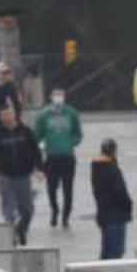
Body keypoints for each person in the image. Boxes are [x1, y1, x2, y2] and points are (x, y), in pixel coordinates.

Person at [0, 102, 43, 245]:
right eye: (4, 114)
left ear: (15, 114)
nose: (8, 116)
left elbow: (35, 151)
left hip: (23, 175)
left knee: (28, 210)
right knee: (9, 212)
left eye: (10, 113)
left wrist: (39, 168)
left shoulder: (25, 131)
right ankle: (11, 238)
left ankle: (21, 229)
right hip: (6, 177)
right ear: (0, 117)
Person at [34, 87, 82, 229]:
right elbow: (37, 135)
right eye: (56, 95)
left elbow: (78, 134)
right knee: (52, 187)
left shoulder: (72, 113)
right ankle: (54, 210)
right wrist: (42, 145)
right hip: (51, 157)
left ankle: (66, 216)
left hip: (67, 157)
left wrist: (70, 143)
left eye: (61, 95)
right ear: (51, 97)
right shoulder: (43, 115)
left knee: (68, 188)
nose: (58, 98)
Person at [90, 139, 133, 259]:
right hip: (116, 215)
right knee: (115, 251)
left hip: (104, 214)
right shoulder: (110, 169)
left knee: (107, 250)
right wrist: (128, 205)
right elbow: (120, 192)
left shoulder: (97, 167)